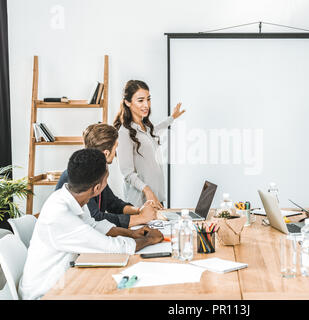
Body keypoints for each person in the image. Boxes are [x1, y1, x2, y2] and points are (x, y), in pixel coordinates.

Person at [19, 149, 164, 300]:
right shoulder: (61, 216)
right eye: (107, 180)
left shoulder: (69, 198)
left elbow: (95, 226)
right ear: (96, 189)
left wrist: (133, 233)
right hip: (45, 293)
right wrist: (149, 239)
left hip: (65, 281)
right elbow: (114, 248)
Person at [55, 123, 158, 228]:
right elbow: (95, 218)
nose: (116, 153)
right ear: (106, 153)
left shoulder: (96, 171)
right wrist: (141, 218)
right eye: (115, 148)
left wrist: (139, 210)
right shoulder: (79, 176)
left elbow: (113, 203)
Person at [114, 80, 186, 208]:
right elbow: (127, 173)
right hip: (141, 201)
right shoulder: (124, 133)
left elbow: (158, 128)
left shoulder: (146, 128)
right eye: (140, 100)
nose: (146, 105)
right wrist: (147, 191)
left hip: (156, 197)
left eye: (148, 99)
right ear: (128, 102)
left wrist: (172, 117)